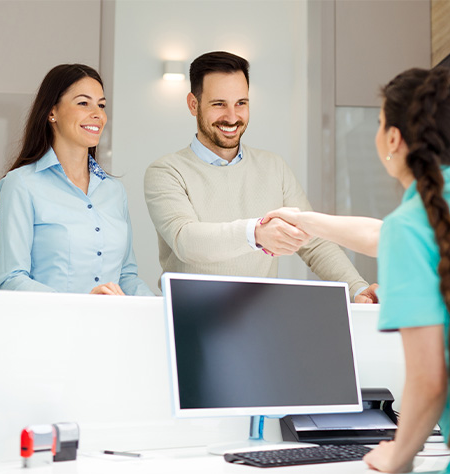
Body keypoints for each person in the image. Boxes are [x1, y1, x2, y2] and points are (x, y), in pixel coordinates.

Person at [263, 67, 450, 472]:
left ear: (393, 139)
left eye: (381, 122)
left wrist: (397, 455)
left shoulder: (412, 226)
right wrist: (306, 219)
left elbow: (428, 381)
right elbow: (385, 235)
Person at [144, 51, 376, 303]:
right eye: (219, 104)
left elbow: (314, 242)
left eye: (241, 103)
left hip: (259, 317)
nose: (232, 117)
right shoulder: (166, 171)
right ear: (193, 104)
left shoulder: (273, 167)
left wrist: (356, 288)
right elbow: (186, 240)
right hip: (189, 318)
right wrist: (255, 233)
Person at [0, 64, 152, 296]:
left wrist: (157, 306)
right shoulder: (20, 184)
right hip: (51, 328)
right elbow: (12, 280)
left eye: (101, 105)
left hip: (110, 327)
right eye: (83, 103)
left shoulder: (114, 191)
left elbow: (126, 276)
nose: (98, 114)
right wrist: (80, 304)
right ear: (52, 112)